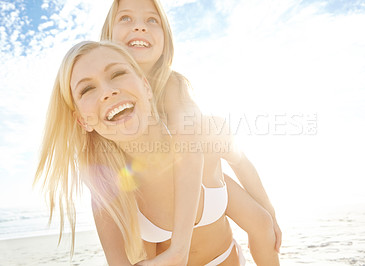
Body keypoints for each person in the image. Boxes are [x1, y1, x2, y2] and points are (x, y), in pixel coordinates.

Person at [101, 0, 281, 265]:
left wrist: (270, 212)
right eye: (126, 18)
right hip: (158, 232)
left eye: (152, 20)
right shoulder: (105, 107)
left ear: (166, 38)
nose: (139, 26)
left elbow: (234, 158)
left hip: (226, 250)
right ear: (108, 34)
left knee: (263, 224)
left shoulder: (175, 87)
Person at [34, 40, 245, 265]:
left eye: (117, 73)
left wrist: (268, 211)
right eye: (87, 89)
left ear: (146, 86)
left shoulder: (197, 142)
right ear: (83, 120)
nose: (108, 91)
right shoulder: (108, 190)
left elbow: (255, 209)